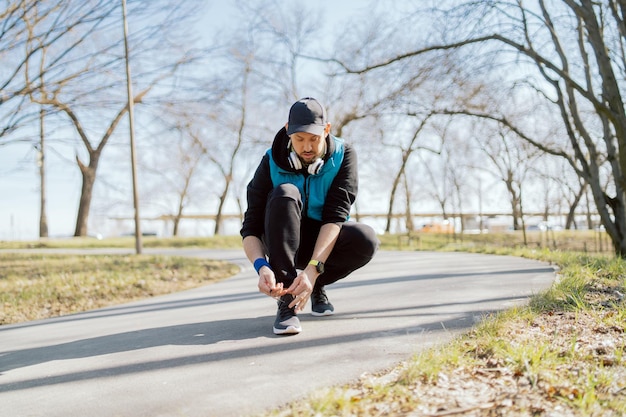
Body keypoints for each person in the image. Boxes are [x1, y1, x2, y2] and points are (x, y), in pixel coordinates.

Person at [240, 97, 379, 335]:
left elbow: (335, 217)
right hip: (279, 236)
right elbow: (251, 226)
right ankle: (287, 303)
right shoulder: (270, 160)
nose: (306, 147)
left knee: (365, 239)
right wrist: (261, 266)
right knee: (285, 192)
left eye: (313, 139)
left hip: (321, 240)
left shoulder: (344, 156)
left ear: (326, 130)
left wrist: (313, 270)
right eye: (299, 139)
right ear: (287, 131)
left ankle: (313, 284)